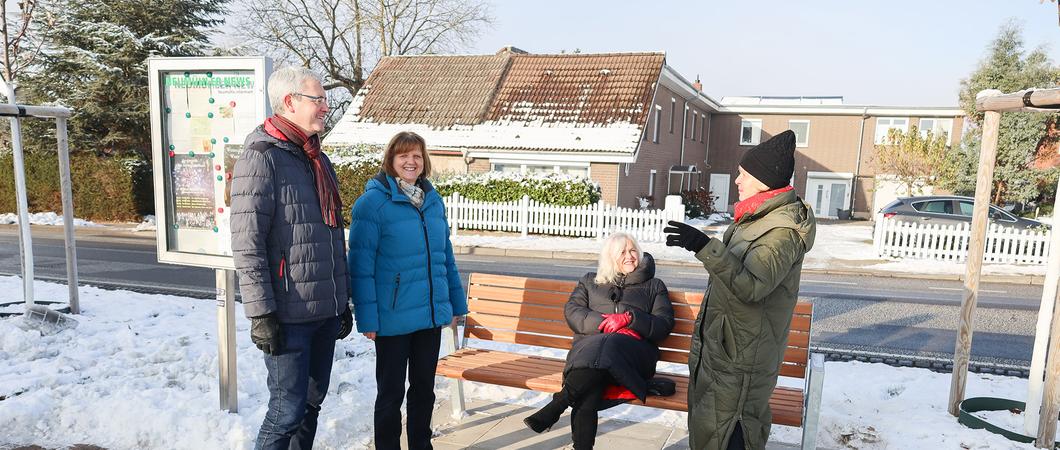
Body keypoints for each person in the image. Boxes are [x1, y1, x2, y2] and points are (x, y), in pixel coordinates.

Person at [664, 130, 816, 450]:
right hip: (726, 349)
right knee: (710, 432)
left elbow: (751, 286)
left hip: (743, 359)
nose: (736, 180)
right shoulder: (752, 218)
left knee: (730, 433)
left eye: (742, 174)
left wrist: (705, 247)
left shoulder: (782, 230)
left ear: (763, 181)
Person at [231, 66, 354, 450]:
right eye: (318, 99)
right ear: (289, 102)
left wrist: (340, 301)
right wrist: (261, 313)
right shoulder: (261, 157)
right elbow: (247, 242)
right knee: (286, 412)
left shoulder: (315, 157)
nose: (326, 107)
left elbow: (330, 236)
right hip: (288, 314)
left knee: (311, 406)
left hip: (323, 311)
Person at [348, 131, 467, 450]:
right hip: (392, 318)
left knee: (424, 390)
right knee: (390, 393)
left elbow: (445, 257)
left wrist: (456, 304)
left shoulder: (432, 200)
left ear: (424, 160)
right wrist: (368, 319)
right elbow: (360, 267)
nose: (410, 162)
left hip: (428, 317)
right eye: (403, 156)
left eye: (416, 155)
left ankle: (420, 445)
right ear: (391, 160)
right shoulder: (372, 204)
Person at [523, 233, 674, 450]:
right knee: (590, 385)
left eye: (633, 251)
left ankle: (558, 404)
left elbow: (664, 324)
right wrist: (604, 323)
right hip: (591, 354)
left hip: (633, 357)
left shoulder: (654, 286)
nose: (630, 256)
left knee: (610, 345)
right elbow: (573, 312)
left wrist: (630, 320)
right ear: (610, 257)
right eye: (622, 252)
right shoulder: (589, 281)